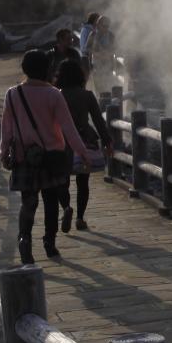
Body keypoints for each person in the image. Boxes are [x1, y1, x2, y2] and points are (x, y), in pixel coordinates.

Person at [0, 49, 103, 264]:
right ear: (47, 69)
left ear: (24, 69)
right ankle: (49, 243)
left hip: (24, 157)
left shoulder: (12, 94)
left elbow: (6, 129)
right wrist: (83, 153)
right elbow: (69, 129)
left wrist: (3, 153)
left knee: (28, 203)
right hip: (52, 157)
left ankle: (24, 239)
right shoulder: (53, 94)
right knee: (50, 202)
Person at [54, 58, 111, 232]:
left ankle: (66, 208)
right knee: (83, 181)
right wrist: (108, 141)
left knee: (61, 181)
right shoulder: (86, 95)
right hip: (85, 140)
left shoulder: (57, 94)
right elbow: (98, 120)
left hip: (61, 142)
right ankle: (79, 218)